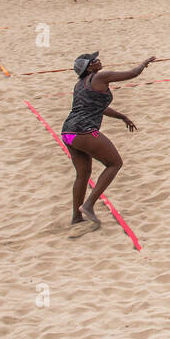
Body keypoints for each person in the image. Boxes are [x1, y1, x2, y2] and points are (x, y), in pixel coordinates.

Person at [61, 52, 153, 229]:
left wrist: (122, 117)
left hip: (68, 133)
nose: (99, 60)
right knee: (115, 163)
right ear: (89, 67)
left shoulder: (79, 84)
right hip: (84, 132)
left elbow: (99, 107)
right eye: (94, 60)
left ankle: (76, 217)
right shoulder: (100, 76)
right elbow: (132, 73)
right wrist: (144, 63)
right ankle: (88, 205)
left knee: (83, 173)